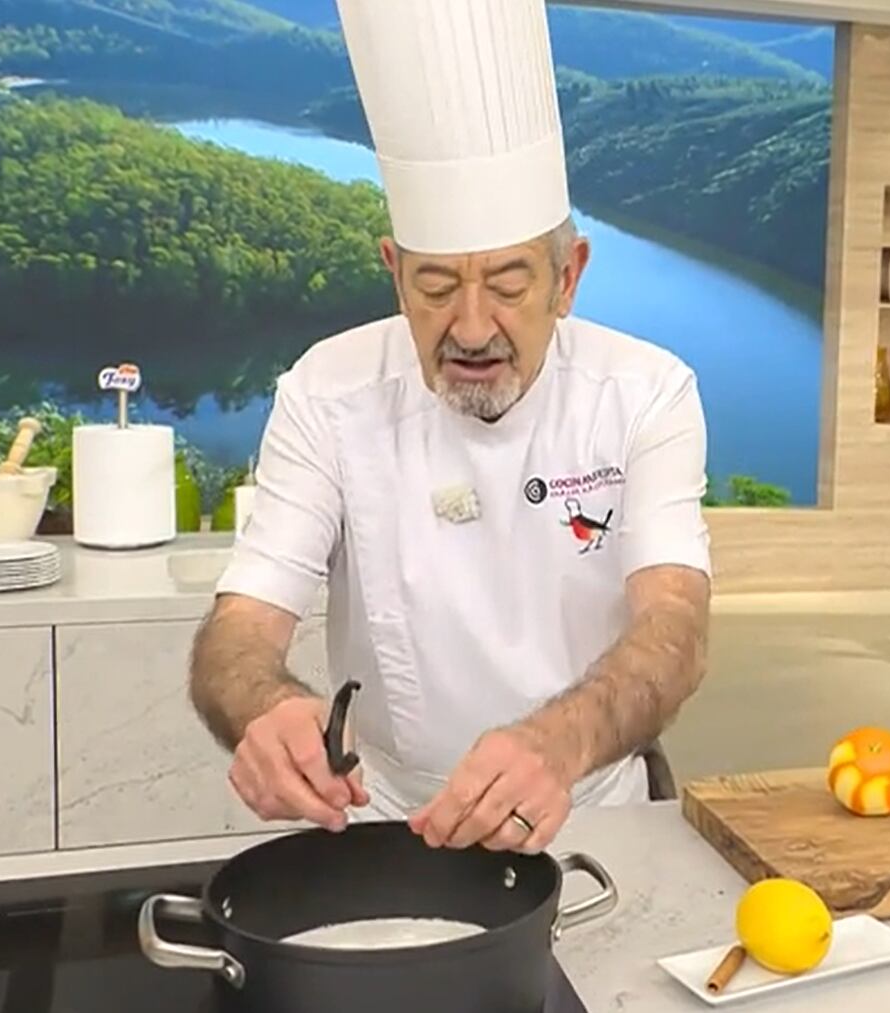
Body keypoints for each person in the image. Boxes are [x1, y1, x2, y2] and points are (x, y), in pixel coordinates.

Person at [187, 0, 712, 856]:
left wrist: (557, 744)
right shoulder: (328, 391)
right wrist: (267, 706)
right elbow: (241, 625)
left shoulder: (645, 393)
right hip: (390, 818)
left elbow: (675, 629)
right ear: (394, 272)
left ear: (568, 277)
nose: (470, 328)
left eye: (508, 284)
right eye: (436, 288)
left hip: (593, 806)